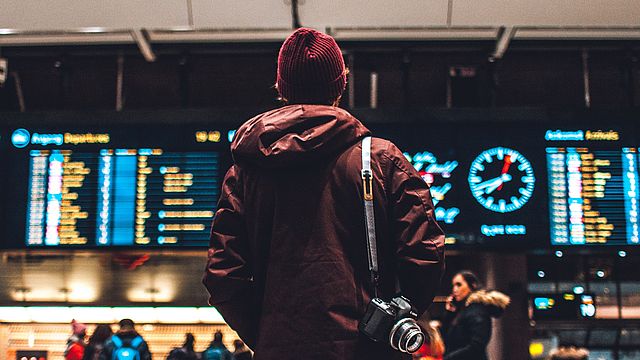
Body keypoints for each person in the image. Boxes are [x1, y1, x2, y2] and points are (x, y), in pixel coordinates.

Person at [202, 27, 445, 360]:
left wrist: (268, 335)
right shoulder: (381, 160)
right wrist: (394, 316)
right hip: (366, 350)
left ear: (281, 88)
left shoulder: (246, 172)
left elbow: (223, 275)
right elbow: (425, 252)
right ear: (341, 84)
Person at [442, 271, 510, 360]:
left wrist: (449, 358)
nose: (455, 289)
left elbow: (477, 346)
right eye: (453, 286)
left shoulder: (476, 311)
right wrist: (450, 313)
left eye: (459, 285)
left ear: (472, 286)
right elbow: (446, 337)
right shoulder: (464, 310)